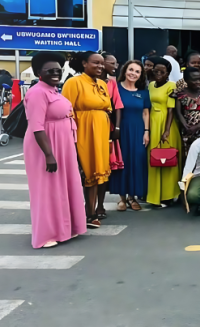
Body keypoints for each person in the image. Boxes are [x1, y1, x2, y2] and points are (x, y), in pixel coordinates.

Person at [23, 52, 87, 248]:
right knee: (47, 189)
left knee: (65, 186)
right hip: (46, 145)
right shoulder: (37, 93)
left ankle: (66, 228)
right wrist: (49, 155)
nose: (55, 74)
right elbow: (36, 126)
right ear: (39, 72)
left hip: (63, 143)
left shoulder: (53, 90)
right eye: (49, 71)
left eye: (58, 70)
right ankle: (46, 235)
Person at [62, 51, 112, 227]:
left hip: (101, 132)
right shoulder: (74, 82)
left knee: (100, 170)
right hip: (84, 131)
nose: (100, 66)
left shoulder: (102, 84)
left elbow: (108, 108)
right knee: (88, 171)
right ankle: (89, 214)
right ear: (84, 63)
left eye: (102, 63)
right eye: (95, 63)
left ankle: (96, 209)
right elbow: (66, 111)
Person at [110, 60, 150, 212]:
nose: (133, 73)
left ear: (141, 75)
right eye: (131, 70)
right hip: (121, 130)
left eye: (137, 71)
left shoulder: (143, 92)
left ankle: (132, 197)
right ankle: (122, 198)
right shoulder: (116, 88)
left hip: (138, 130)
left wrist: (146, 132)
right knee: (122, 161)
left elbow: (145, 113)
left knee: (137, 161)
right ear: (125, 71)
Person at [147, 56, 182, 207]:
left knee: (167, 158)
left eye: (162, 72)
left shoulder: (171, 86)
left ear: (168, 73)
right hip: (152, 122)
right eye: (156, 71)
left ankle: (168, 195)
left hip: (166, 123)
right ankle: (154, 195)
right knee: (153, 158)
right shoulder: (151, 85)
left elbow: (171, 110)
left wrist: (166, 131)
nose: (159, 74)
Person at [175, 67, 200, 158]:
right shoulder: (181, 94)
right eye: (194, 80)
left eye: (199, 79)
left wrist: (199, 125)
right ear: (186, 80)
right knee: (189, 155)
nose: (197, 82)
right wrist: (185, 125)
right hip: (188, 130)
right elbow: (178, 112)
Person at [101, 53, 124, 174]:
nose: (115, 66)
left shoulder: (112, 82)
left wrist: (117, 127)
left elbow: (118, 105)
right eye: (112, 63)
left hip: (107, 124)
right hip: (91, 122)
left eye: (116, 64)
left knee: (107, 157)